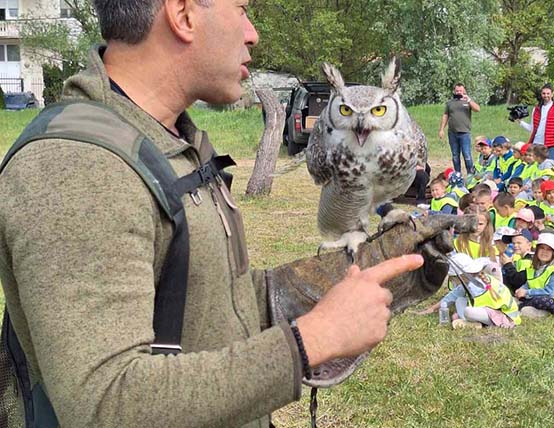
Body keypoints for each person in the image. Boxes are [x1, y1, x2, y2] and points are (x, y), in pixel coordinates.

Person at [0, 2, 430, 427]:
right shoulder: (80, 167)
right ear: (183, 15)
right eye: (241, 9)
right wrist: (312, 341)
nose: (252, 33)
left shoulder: (164, 140)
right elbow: (107, 405)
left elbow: (215, 304)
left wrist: (371, 263)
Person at [509, 233, 554, 318]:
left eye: (548, 249)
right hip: (540, 295)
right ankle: (525, 306)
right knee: (524, 296)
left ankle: (522, 306)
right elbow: (530, 282)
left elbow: (550, 292)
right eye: (542, 248)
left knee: (542, 300)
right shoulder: (536, 266)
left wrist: (526, 292)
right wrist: (521, 289)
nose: (544, 252)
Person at [441, 253, 521, 329]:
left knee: (468, 311)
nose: (453, 282)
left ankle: (472, 322)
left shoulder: (474, 286)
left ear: (461, 276)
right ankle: (468, 322)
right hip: (491, 311)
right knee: (460, 300)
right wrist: (438, 306)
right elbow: (453, 296)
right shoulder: (475, 280)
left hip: (504, 315)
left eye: (453, 279)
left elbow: (457, 296)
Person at [516, 83, 554, 161]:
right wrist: (520, 122)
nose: (546, 95)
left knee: (549, 165)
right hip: (535, 143)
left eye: (548, 93)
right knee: (533, 165)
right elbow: (532, 129)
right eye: (544, 93)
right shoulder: (536, 108)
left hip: (550, 143)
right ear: (541, 94)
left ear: (552, 94)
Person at [438, 83, 481, 174]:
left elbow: (477, 109)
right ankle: (458, 174)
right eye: (457, 91)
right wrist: (441, 129)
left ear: (464, 91)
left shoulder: (467, 101)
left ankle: (470, 175)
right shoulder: (450, 103)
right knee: (455, 156)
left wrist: (469, 100)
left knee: (467, 155)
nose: (458, 92)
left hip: (464, 133)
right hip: (452, 133)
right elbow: (445, 115)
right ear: (454, 91)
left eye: (460, 90)